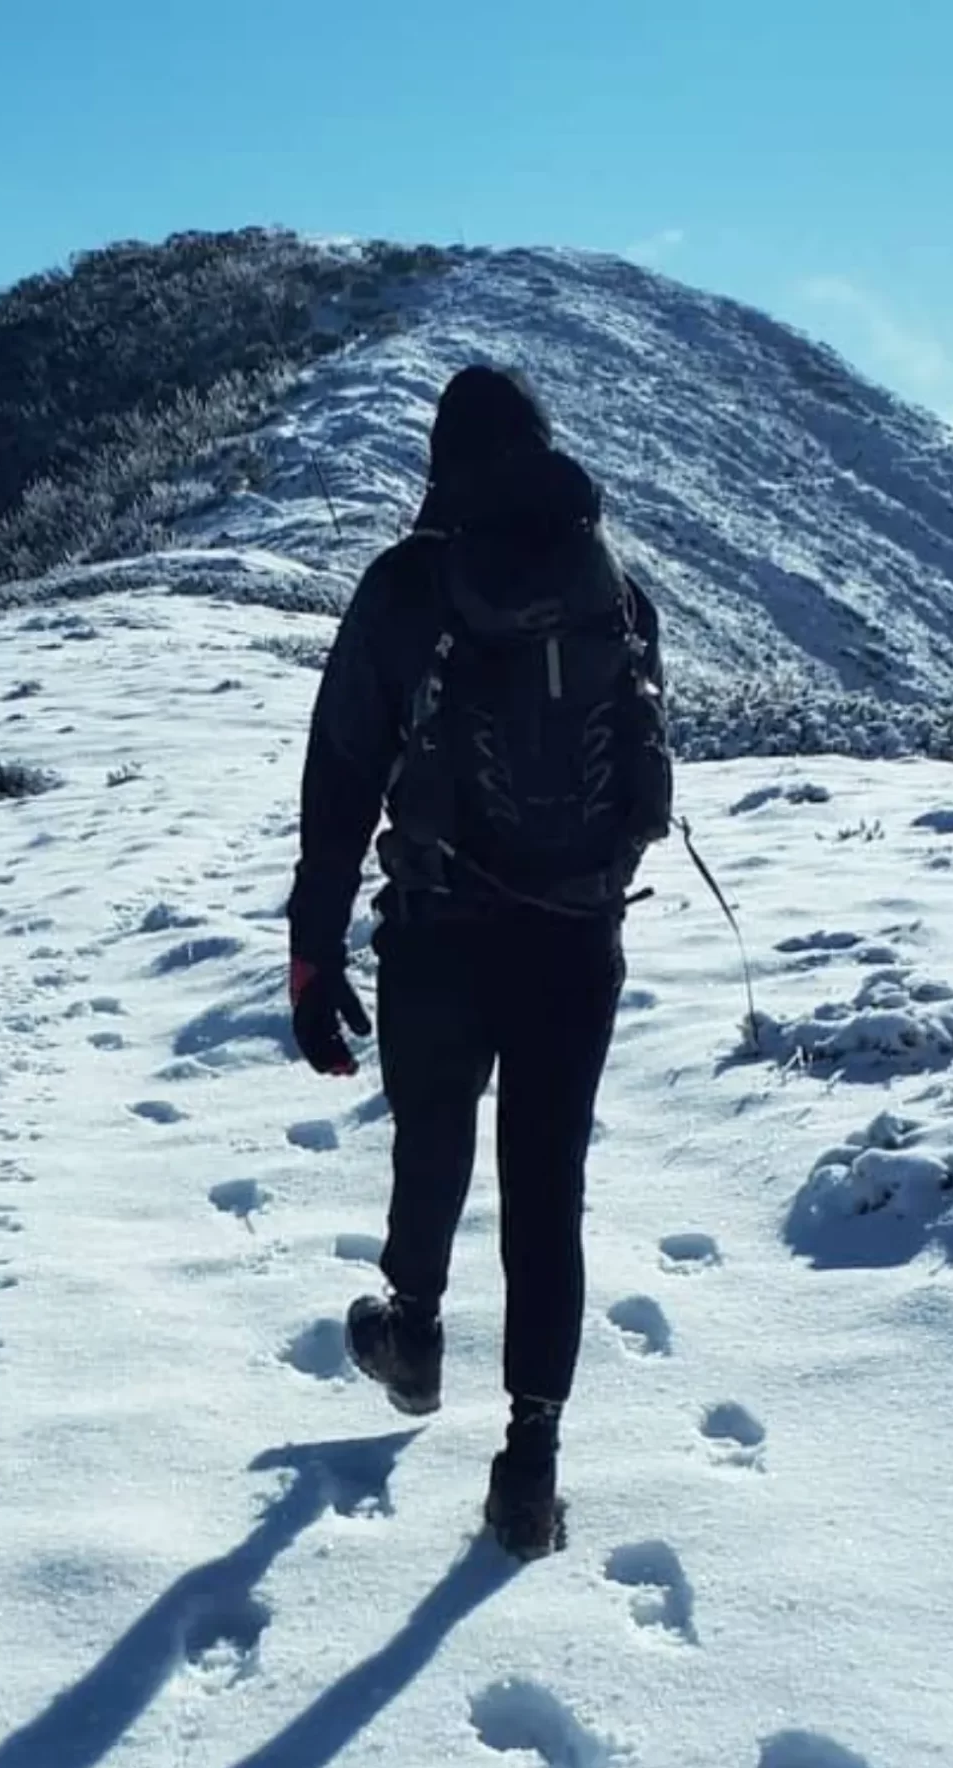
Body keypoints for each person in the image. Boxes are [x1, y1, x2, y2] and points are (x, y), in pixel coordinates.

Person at [286, 365, 672, 1558]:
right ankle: (529, 1465)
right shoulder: (618, 593)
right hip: (576, 934)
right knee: (547, 1188)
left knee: (434, 1138)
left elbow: (342, 774)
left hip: (441, 930)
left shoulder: (407, 589)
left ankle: (412, 1333)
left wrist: (312, 949)